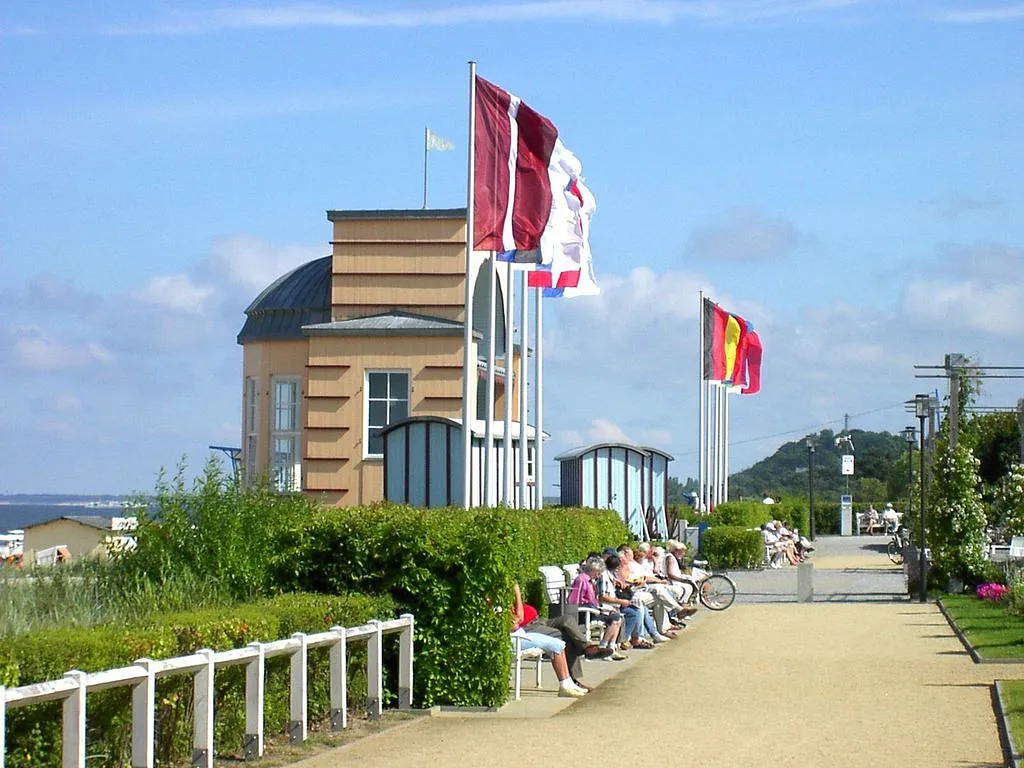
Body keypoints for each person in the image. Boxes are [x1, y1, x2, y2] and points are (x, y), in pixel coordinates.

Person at [511, 583, 589, 698]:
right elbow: (518, 621)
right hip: (526, 628)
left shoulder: (504, 598)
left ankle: (586, 647)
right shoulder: (497, 605)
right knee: (562, 637)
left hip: (538, 620)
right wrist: (517, 593)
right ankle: (569, 681)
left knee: (567, 619)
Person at [567, 556, 628, 660]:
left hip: (592, 610)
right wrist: (598, 610)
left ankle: (611, 648)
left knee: (617, 617)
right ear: (592, 570)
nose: (599, 575)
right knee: (615, 618)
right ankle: (603, 647)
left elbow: (593, 601)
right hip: (584, 614)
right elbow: (574, 601)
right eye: (598, 572)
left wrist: (603, 609)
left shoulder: (589, 580)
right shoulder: (582, 580)